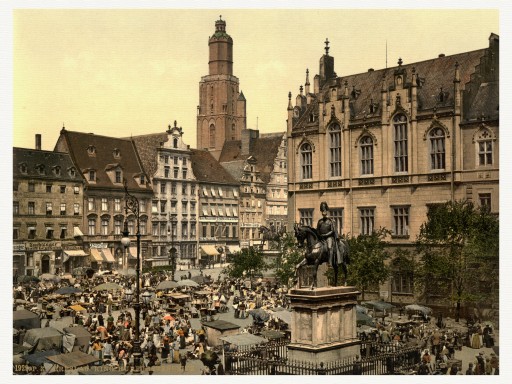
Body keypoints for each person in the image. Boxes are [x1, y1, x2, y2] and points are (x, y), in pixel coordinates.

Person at [316, 202, 343, 268]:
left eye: (325, 210)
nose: (324, 213)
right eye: (322, 211)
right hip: (321, 237)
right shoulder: (320, 221)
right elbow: (317, 230)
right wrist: (319, 235)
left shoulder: (331, 221)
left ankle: (330, 262)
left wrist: (325, 234)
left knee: (329, 247)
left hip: (329, 237)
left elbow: (332, 230)